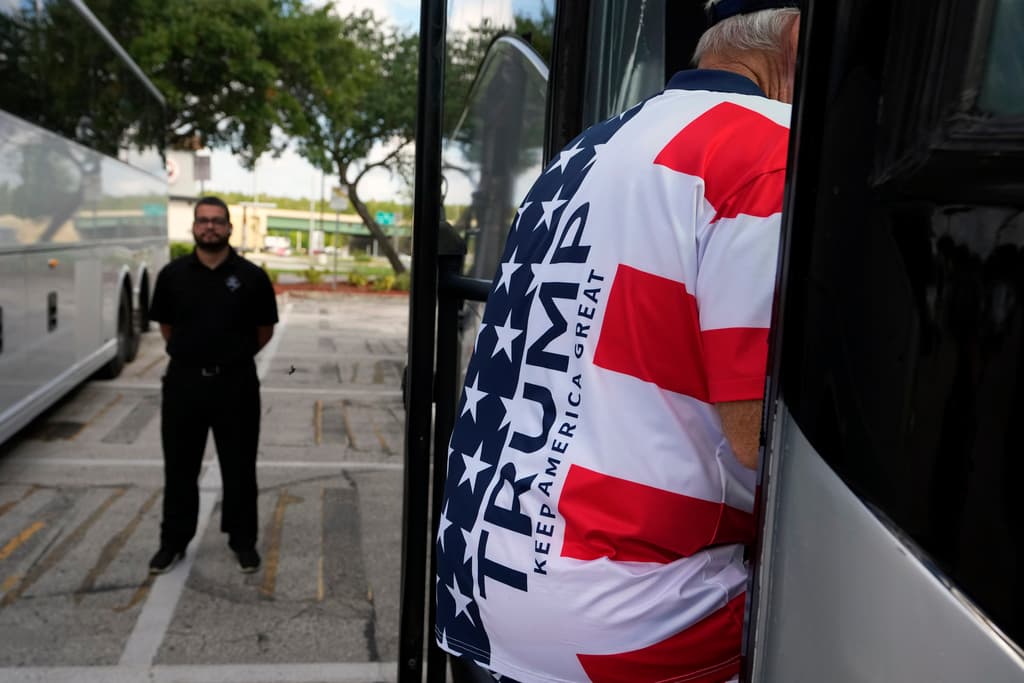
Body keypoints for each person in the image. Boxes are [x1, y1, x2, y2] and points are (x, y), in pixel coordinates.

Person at [434, 1, 800, 681]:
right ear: (799, 36)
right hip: (629, 624)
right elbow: (767, 446)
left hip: (485, 592)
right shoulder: (770, 151)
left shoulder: (584, 149)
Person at [147, 196, 279, 575]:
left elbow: (264, 331)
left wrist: (229, 358)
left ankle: (243, 541)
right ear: (193, 227)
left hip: (236, 386)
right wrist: (195, 357)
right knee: (179, 468)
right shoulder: (172, 276)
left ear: (229, 227)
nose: (209, 227)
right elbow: (166, 328)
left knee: (239, 468)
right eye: (203, 221)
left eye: (217, 221)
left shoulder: (252, 277)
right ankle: (172, 541)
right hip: (183, 385)